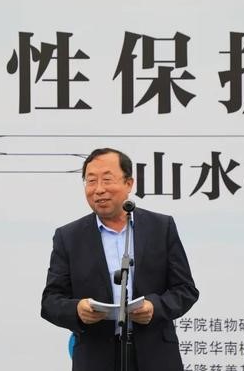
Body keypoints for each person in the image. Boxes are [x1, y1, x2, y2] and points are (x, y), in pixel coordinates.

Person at [41, 148, 199, 371]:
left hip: (156, 357)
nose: (99, 189)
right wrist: (77, 309)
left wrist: (155, 307)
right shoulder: (69, 237)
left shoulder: (161, 228)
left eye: (107, 180)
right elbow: (50, 301)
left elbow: (185, 290)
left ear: (129, 183)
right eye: (91, 181)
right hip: (96, 359)